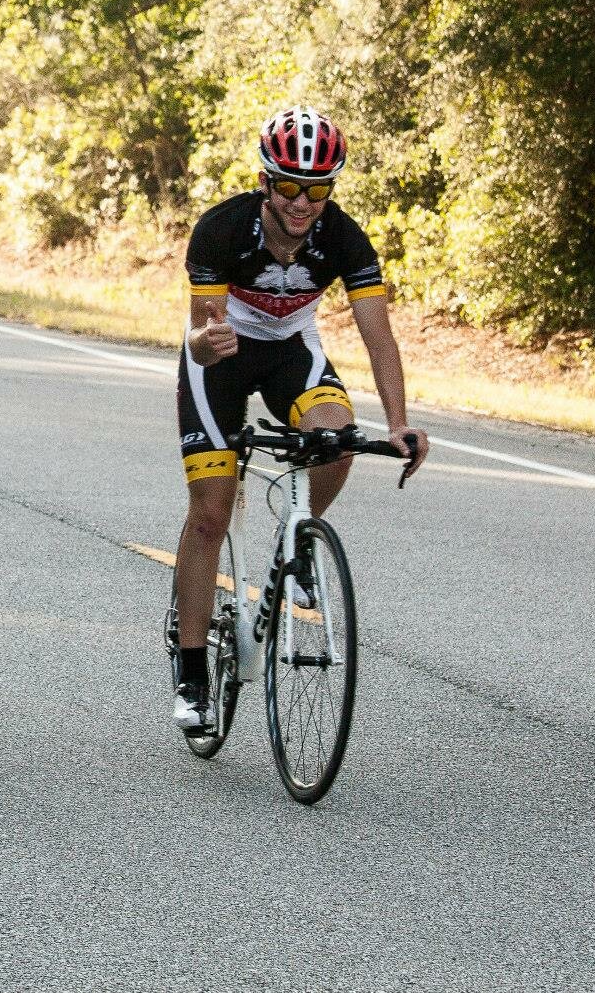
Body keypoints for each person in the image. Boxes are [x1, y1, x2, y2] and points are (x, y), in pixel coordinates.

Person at [170, 106, 430, 732]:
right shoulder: (221, 230)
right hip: (221, 358)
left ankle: (300, 535)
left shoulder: (344, 237)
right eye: (288, 186)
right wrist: (210, 342)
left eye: (316, 190)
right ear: (265, 182)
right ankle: (193, 671)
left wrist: (397, 424)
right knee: (210, 511)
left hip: (292, 350)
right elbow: (202, 333)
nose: (300, 203)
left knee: (338, 438)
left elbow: (379, 338)